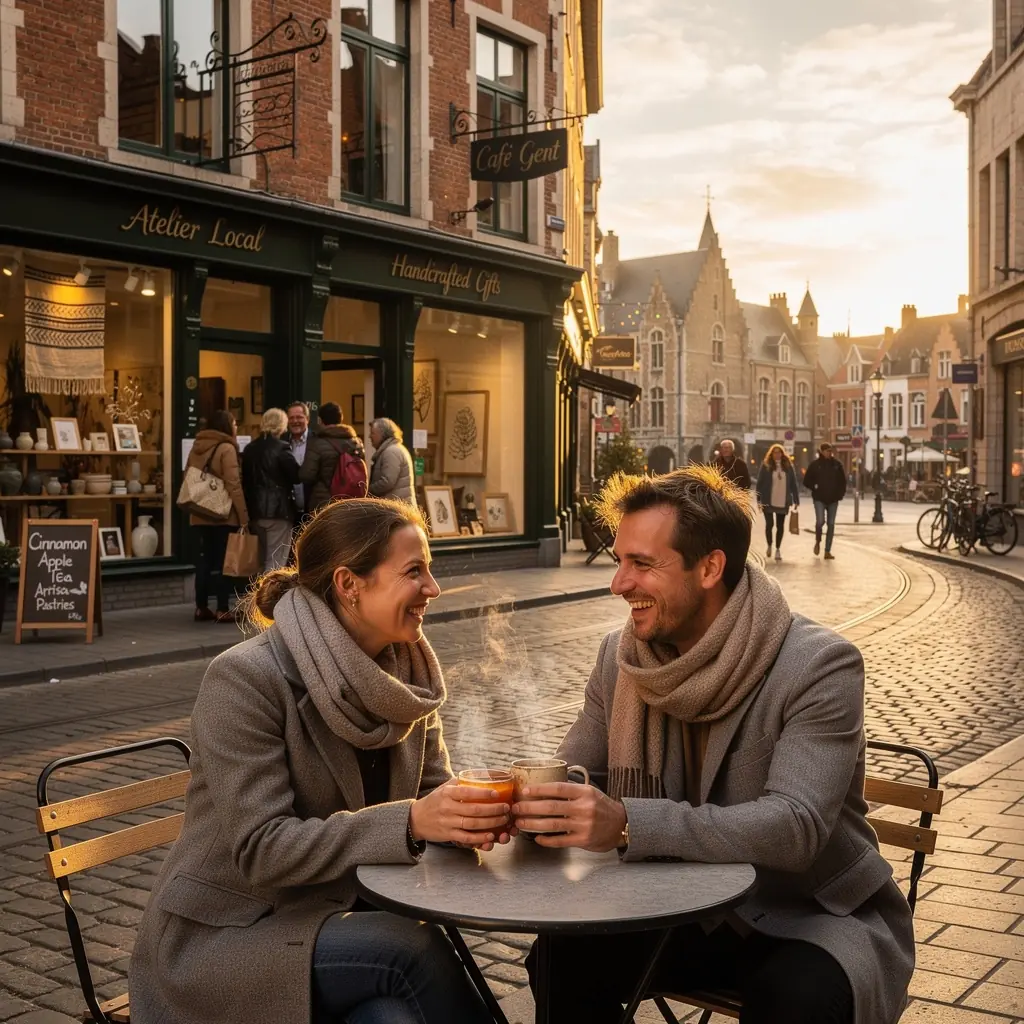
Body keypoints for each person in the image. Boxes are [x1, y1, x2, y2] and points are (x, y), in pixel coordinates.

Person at [513, 466, 914, 1024]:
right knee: (560, 956)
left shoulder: (818, 664)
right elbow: (578, 771)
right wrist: (524, 798)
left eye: (643, 564)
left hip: (805, 913)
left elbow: (794, 828)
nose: (618, 584)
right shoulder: (621, 657)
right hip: (676, 904)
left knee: (797, 1000)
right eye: (619, 560)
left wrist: (628, 823)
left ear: (710, 568)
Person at [129, 499, 509, 1024]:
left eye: (431, 569)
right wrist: (414, 821)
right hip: (233, 934)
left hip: (345, 921)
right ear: (350, 584)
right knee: (411, 950)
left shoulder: (406, 680)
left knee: (390, 1018)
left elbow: (431, 793)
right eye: (413, 571)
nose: (434, 589)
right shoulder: (245, 679)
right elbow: (263, 849)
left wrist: (476, 816)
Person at [187, 409, 248, 623]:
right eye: (234, 423)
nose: (235, 427)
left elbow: (188, 475)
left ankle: (201, 607)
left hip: (199, 513)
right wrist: (243, 515)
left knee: (203, 562)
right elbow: (233, 484)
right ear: (227, 425)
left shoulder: (197, 446)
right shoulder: (226, 448)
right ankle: (223, 608)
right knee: (225, 562)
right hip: (223, 515)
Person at [242, 408, 300, 572]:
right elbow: (296, 476)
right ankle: (270, 597)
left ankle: (259, 595)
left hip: (255, 511)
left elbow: (245, 479)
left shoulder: (249, 449)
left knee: (261, 561)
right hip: (278, 511)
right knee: (276, 562)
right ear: (282, 425)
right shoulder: (282, 448)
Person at [299, 402, 368, 512]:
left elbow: (306, 475)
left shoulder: (317, 443)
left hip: (324, 502)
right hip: (350, 501)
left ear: (320, 420)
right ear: (341, 418)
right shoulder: (356, 442)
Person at [803, 442, 847, 560]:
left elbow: (843, 481)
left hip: (833, 499)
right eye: (827, 450)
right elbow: (806, 480)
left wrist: (840, 494)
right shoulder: (815, 465)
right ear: (821, 451)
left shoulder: (837, 465)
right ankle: (818, 541)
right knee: (820, 521)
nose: (829, 453)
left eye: (830, 450)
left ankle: (827, 550)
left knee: (831, 524)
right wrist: (814, 487)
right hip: (819, 498)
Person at [755, 443, 800, 561]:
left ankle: (778, 549)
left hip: (783, 501)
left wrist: (796, 499)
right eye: (774, 452)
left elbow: (793, 484)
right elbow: (759, 483)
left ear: (782, 454)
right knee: (769, 525)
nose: (777, 454)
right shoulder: (766, 466)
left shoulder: (788, 466)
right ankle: (769, 545)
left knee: (780, 526)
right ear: (771, 454)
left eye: (779, 452)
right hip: (768, 500)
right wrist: (758, 500)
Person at [368, 418, 415, 504]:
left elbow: (387, 482)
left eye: (372, 433)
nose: (370, 436)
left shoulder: (391, 451)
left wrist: (368, 490)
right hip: (397, 507)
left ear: (382, 434)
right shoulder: (393, 449)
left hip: (397, 509)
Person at [287, 401, 310, 521]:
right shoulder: (283, 442)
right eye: (291, 418)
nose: (295, 421)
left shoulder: (316, 440)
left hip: (312, 508)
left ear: (307, 419)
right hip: (289, 511)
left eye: (299, 417)